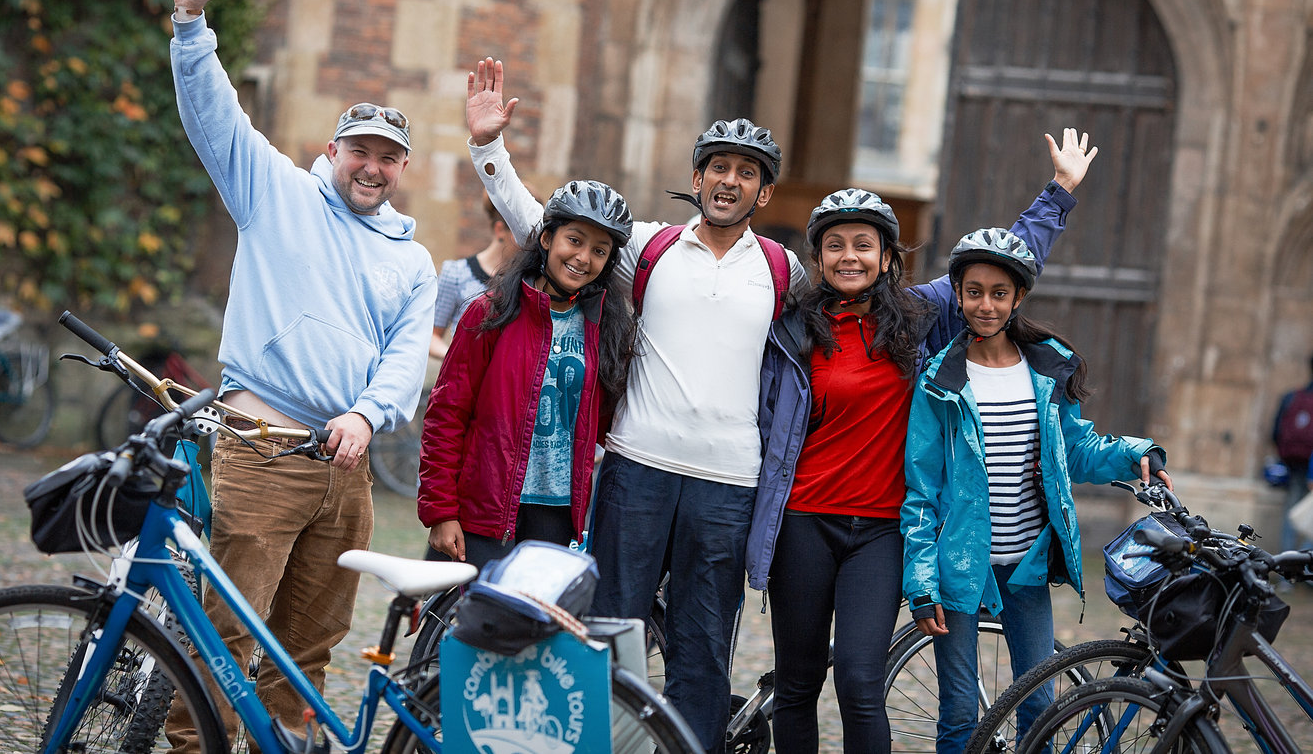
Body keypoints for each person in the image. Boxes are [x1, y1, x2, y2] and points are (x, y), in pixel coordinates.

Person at [463, 58, 1082, 753]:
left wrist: (1054, 198)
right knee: (611, 632)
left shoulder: (784, 273)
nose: (731, 179)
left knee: (701, 652)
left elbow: (972, 283)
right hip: (638, 468)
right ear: (697, 179)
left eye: (747, 171)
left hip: (731, 485)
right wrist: (488, 149)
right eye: (718, 166)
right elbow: (556, 230)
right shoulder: (648, 247)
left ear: (763, 193)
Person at [166, 0, 438, 751]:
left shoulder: (414, 259)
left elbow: (402, 357)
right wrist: (190, 25)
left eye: (389, 157)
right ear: (333, 151)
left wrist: (368, 413)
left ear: (401, 169)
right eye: (361, 150)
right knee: (226, 636)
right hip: (262, 449)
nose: (374, 167)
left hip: (345, 470)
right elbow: (216, 117)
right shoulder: (275, 193)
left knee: (305, 653)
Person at [748, 129, 1096, 754]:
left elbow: (1001, 268)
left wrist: (1060, 192)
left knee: (859, 679)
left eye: (863, 245)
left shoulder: (917, 315)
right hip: (804, 521)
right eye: (834, 246)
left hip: (880, 529)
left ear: (886, 257)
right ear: (817, 257)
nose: (848, 256)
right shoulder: (791, 329)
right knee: (798, 683)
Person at [901, 227, 1172, 754]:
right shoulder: (939, 380)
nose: (985, 304)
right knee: (958, 714)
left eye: (998, 293)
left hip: (1026, 565)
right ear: (957, 294)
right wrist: (921, 579)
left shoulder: (1044, 368)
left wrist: (1136, 452)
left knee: (1041, 708)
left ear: (1018, 296)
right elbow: (921, 489)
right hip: (961, 570)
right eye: (973, 291)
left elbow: (1078, 449)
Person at [417, 180, 636, 568]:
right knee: (471, 623)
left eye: (599, 251)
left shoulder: (604, 330)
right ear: (548, 239)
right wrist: (441, 511)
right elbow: (446, 415)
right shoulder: (490, 314)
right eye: (575, 240)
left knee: (533, 625)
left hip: (555, 513)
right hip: (486, 506)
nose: (584, 258)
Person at [429, 194, 523, 362]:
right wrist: (461, 358)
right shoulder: (456, 273)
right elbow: (431, 337)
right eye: (522, 233)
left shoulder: (531, 282)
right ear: (500, 230)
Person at [1272, 356, 1313, 552]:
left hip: (1294, 463)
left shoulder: (1293, 397)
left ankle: (1285, 571)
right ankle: (1305, 567)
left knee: (1292, 514)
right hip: (1309, 465)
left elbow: (1276, 432)